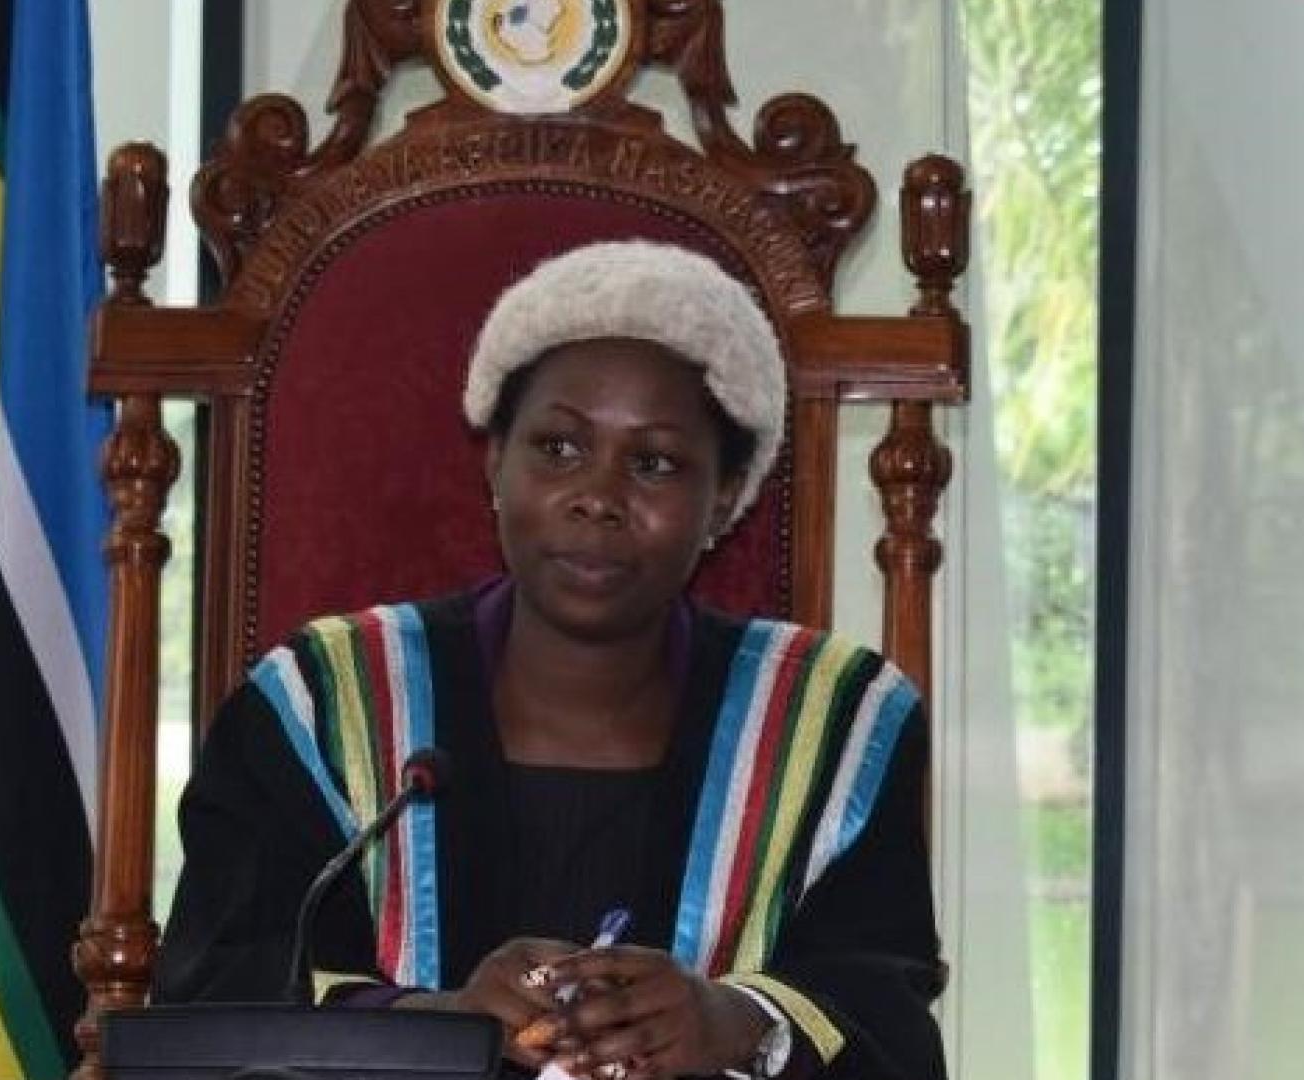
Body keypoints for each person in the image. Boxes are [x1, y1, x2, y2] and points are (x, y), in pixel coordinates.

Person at [155, 241, 949, 1080]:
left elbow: (886, 1014)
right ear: (496, 457)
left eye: (655, 463)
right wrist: (436, 1022)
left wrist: (733, 1019)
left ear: (724, 494)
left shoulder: (832, 725)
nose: (598, 497)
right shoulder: (321, 705)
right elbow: (210, 995)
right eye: (559, 449)